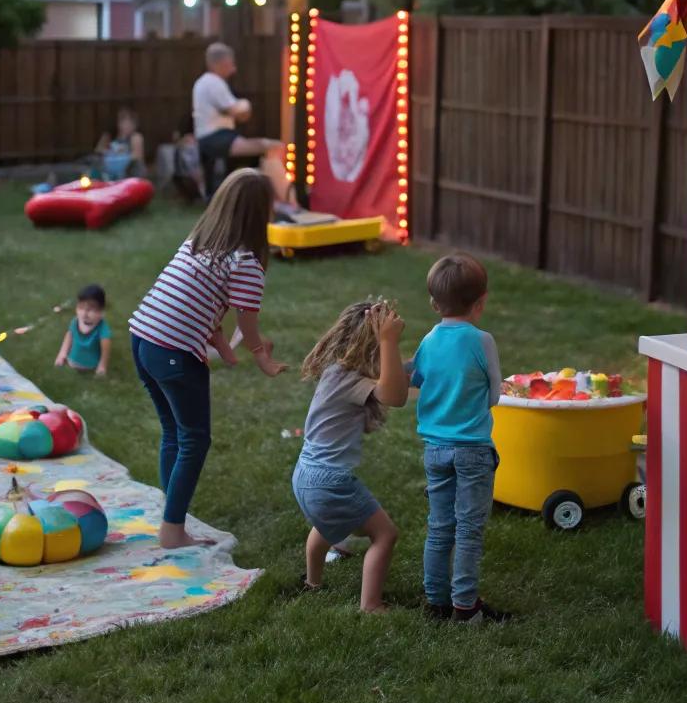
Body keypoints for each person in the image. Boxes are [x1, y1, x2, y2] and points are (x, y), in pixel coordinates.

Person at [128, 169, 286, 549]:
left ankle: (171, 517)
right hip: (173, 352)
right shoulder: (245, 261)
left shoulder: (197, 244)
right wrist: (261, 357)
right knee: (195, 440)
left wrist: (226, 351)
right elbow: (247, 324)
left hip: (142, 339)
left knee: (174, 432)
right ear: (260, 212)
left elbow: (201, 308)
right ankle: (172, 530)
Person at [409, 253, 511, 624]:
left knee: (439, 527)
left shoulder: (428, 341)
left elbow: (418, 381)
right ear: (481, 302)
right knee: (468, 530)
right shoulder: (483, 341)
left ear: (434, 304)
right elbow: (494, 396)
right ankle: (466, 607)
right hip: (473, 452)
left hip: (435, 450)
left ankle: (436, 601)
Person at [292, 300, 408, 612]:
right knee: (385, 534)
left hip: (304, 475)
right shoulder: (350, 381)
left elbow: (393, 376)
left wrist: (414, 362)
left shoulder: (336, 372)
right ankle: (371, 605)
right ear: (373, 347)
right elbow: (395, 395)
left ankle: (312, 583)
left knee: (325, 525)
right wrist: (390, 340)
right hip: (330, 481)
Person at [192, 42, 293, 210]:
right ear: (221, 63)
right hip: (217, 138)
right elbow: (237, 112)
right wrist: (245, 105)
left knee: (262, 150)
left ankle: (272, 198)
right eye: (230, 64)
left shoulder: (205, 83)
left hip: (217, 137)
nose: (234, 69)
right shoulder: (213, 83)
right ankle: (285, 198)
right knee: (271, 147)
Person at [54, 284, 112, 378]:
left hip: (90, 365)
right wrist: (62, 354)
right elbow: (69, 336)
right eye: (81, 308)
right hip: (72, 359)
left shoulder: (102, 328)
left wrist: (102, 365)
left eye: (90, 309)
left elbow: (105, 348)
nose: (84, 313)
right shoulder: (76, 321)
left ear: (100, 311)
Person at [94, 107, 146, 180]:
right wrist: (109, 153)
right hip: (110, 168)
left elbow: (137, 155)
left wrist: (121, 157)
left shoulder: (136, 137)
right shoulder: (109, 135)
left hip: (130, 170)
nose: (126, 125)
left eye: (130, 123)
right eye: (123, 122)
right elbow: (98, 149)